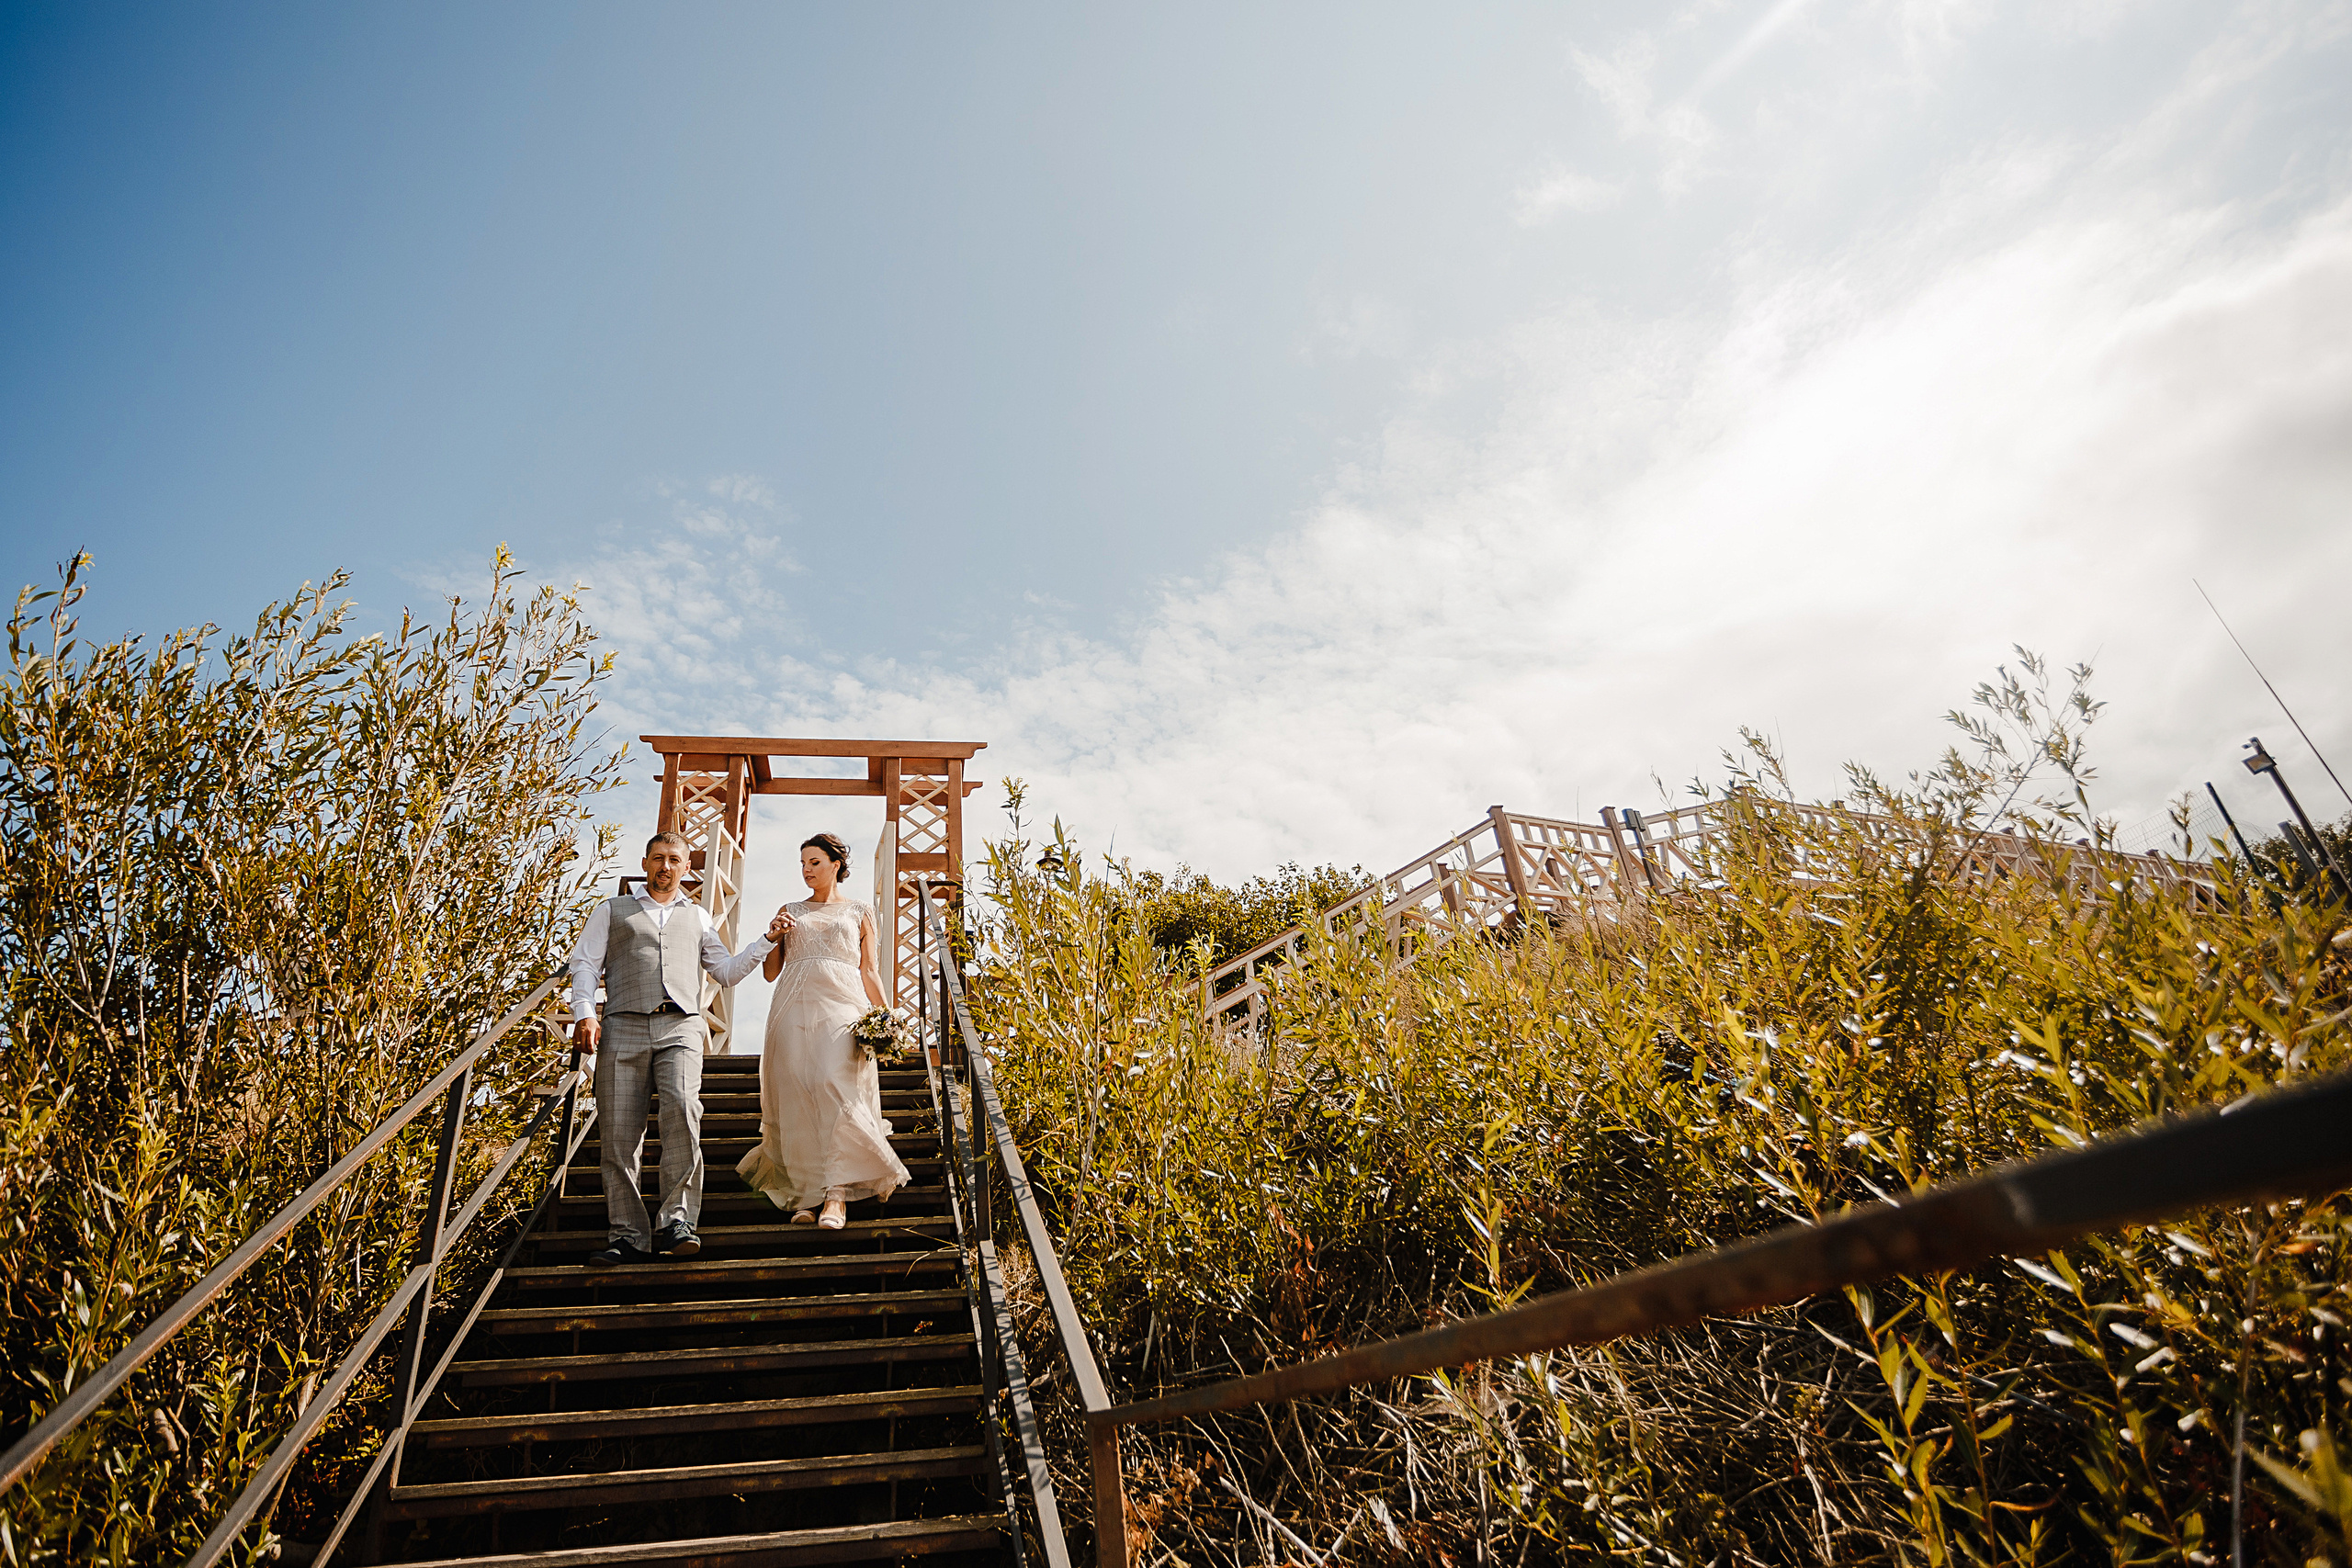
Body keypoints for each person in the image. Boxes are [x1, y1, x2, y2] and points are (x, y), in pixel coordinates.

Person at [568, 831, 786, 1267]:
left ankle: (677, 1222)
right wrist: (584, 1013)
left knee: (684, 1112)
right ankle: (628, 1235)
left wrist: (766, 941)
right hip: (622, 1025)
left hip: (681, 1026)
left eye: (674, 859)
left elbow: (725, 972)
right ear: (645, 863)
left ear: (687, 868)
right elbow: (585, 965)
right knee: (619, 1134)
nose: (665, 866)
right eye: (658, 858)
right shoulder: (611, 910)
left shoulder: (699, 916)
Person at [737, 832, 910, 1229]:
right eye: (802, 864)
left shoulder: (860, 911)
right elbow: (770, 973)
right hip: (792, 1008)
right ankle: (805, 1195)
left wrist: (887, 1017)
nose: (806, 870)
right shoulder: (790, 910)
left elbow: (869, 970)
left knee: (835, 1085)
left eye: (814, 862)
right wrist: (775, 936)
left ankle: (836, 1195)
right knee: (797, 1094)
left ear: (836, 864)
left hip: (843, 1009)